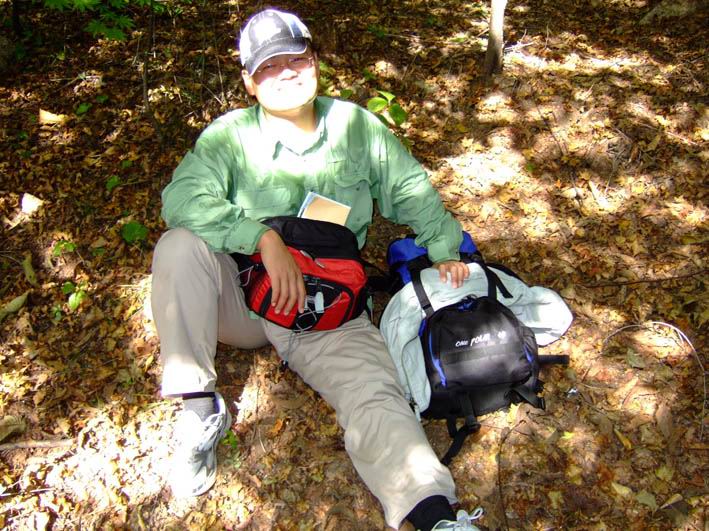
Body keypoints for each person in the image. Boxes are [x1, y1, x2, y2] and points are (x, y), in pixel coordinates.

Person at [151, 8, 484, 531]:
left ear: (315, 62)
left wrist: (444, 247)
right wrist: (261, 239)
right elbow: (181, 199)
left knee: (373, 392)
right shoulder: (229, 137)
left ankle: (433, 514)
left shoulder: (355, 127)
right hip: (244, 298)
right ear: (248, 82)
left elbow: (408, 188)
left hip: (327, 308)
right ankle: (198, 408)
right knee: (178, 247)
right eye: (268, 66)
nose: (285, 72)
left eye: (296, 58)